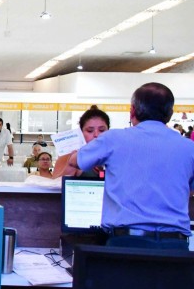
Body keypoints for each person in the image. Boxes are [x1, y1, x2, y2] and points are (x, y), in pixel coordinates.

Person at [68, 82, 194, 249]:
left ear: (132, 111)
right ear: (170, 113)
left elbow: (74, 161)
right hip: (175, 246)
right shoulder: (189, 148)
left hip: (125, 243)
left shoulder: (113, 139)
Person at [59, 105, 110, 178]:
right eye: (90, 131)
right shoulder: (72, 156)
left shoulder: (114, 154)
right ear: (81, 133)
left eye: (101, 130)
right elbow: (61, 183)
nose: (96, 135)